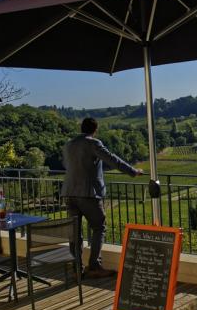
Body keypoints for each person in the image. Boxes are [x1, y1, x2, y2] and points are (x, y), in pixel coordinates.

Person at [61, 117, 143, 278]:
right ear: (95, 129)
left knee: (75, 233)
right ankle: (94, 266)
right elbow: (112, 159)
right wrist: (133, 171)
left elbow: (67, 166)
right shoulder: (93, 143)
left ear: (81, 128)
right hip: (88, 194)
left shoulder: (69, 145)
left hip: (69, 192)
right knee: (99, 227)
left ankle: (77, 268)